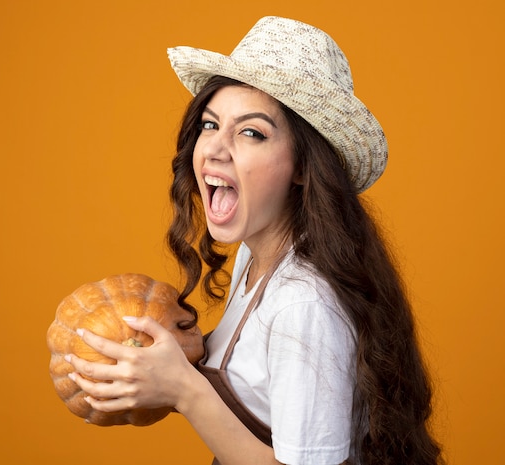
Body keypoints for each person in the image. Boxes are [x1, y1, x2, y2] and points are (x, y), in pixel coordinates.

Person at [65, 16, 443, 465]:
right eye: (209, 125)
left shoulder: (303, 303)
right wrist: (156, 364)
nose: (215, 149)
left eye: (251, 132)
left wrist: (186, 392)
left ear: (304, 168)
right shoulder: (256, 253)